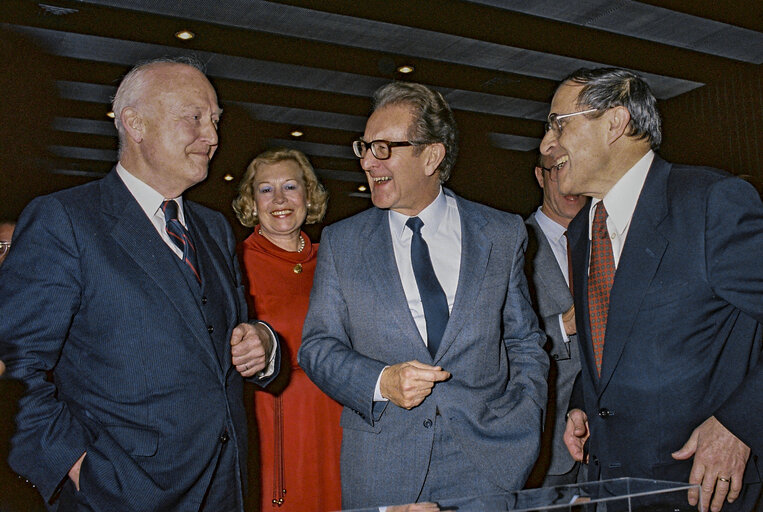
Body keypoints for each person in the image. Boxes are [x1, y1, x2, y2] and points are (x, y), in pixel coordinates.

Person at [0, 57, 281, 512]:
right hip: (119, 495)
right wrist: (78, 467)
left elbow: (228, 335)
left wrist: (263, 345)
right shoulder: (65, 220)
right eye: (194, 117)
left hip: (225, 490)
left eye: (214, 121)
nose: (211, 136)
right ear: (135, 123)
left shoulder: (212, 228)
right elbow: (12, 367)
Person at [298, 81, 548, 510]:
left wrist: (523, 427)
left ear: (431, 155)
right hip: (384, 471)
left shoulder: (503, 233)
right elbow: (317, 348)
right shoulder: (342, 242)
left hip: (488, 469)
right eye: (364, 147)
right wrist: (381, 382)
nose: (366, 163)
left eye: (383, 148)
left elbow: (524, 342)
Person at [540, 68, 762, 512]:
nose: (547, 143)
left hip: (700, 491)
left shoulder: (710, 204)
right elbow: (613, 342)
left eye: (558, 123)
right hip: (610, 489)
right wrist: (584, 403)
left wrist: (741, 425)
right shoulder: (585, 229)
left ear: (615, 123)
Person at [232, 148, 342, 511]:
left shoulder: (335, 259)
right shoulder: (234, 264)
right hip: (279, 427)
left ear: (308, 195)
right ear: (251, 200)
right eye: (265, 189)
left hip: (339, 422)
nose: (279, 199)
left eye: (291, 186)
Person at [524, 154, 586, 487]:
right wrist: (563, 324)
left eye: (577, 168)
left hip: (610, 437)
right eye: (557, 168)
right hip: (547, 438)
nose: (569, 182)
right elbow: (499, 338)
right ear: (539, 175)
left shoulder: (610, 240)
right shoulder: (513, 243)